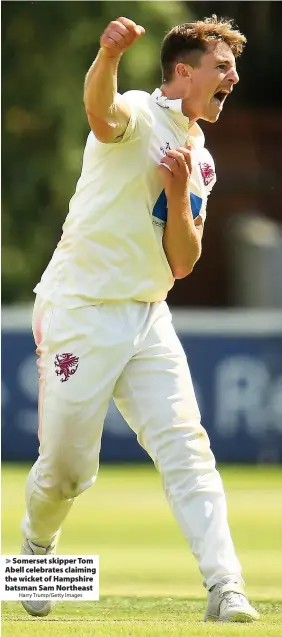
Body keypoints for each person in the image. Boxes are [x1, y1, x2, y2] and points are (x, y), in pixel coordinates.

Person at [20, 15, 259, 622]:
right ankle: (36, 554)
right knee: (68, 473)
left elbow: (182, 263)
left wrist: (180, 193)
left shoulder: (201, 158)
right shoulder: (138, 111)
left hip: (149, 316)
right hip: (80, 309)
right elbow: (100, 114)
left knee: (187, 450)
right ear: (184, 71)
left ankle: (226, 587)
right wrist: (106, 56)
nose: (232, 75)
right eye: (221, 66)